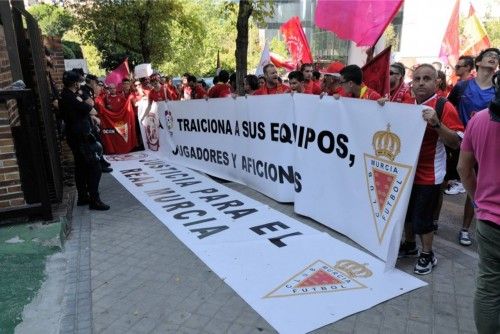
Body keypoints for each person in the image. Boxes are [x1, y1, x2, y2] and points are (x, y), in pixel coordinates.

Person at [398, 64, 464, 275]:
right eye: (417, 79)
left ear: (436, 83)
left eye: (427, 78)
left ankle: (428, 254)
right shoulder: (406, 103)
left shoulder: (444, 106)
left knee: (423, 218)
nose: (421, 83)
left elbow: (456, 143)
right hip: (407, 170)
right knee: (406, 213)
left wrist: (436, 124)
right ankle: (410, 245)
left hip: (430, 173)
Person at [457, 71, 500, 334]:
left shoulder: (479, 120)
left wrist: (477, 200)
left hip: (489, 220)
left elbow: (464, 169)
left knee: (489, 285)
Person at [448, 47, 500, 246]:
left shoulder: (497, 91)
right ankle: (433, 223)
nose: (494, 58)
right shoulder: (462, 87)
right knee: (444, 182)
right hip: (458, 143)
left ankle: (465, 229)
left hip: (482, 147)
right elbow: (447, 107)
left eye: (496, 58)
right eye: (489, 56)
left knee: (475, 186)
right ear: (477, 63)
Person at [59, 71, 110, 210]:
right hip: (80, 136)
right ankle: (95, 200)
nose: (80, 85)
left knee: (80, 166)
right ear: (75, 83)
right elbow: (92, 110)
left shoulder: (66, 95)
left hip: (76, 135)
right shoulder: (71, 97)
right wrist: (86, 106)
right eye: (79, 82)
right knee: (95, 167)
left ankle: (83, 196)